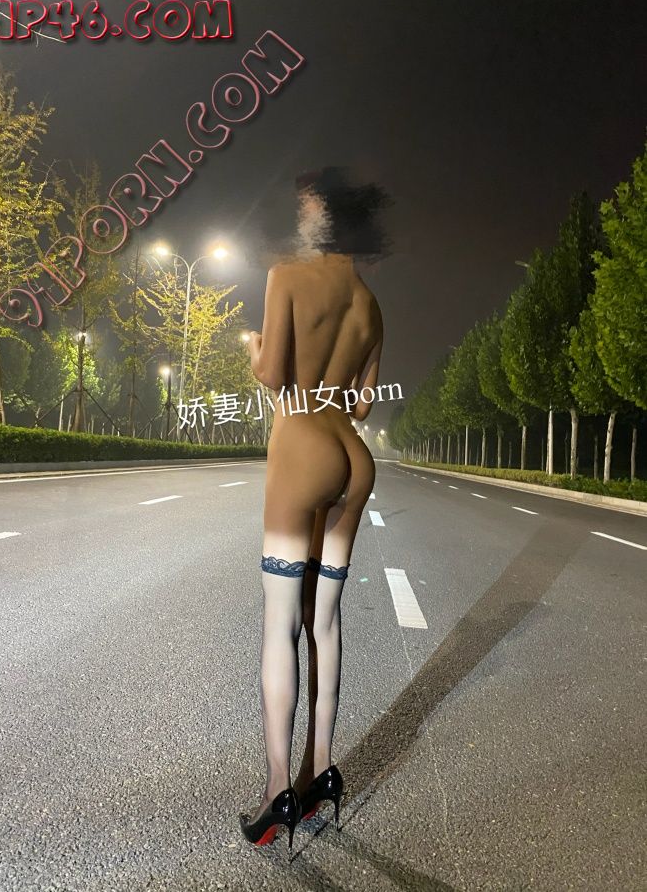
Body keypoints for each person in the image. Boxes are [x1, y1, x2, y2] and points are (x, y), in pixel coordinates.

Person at [238, 167, 388, 853]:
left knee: (280, 625)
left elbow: (273, 375)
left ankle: (278, 788)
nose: (299, 219)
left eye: (306, 208)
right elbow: (363, 402)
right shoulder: (370, 303)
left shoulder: (288, 277)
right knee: (323, 620)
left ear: (322, 217)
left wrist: (253, 348)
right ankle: (320, 770)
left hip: (302, 445)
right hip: (354, 456)